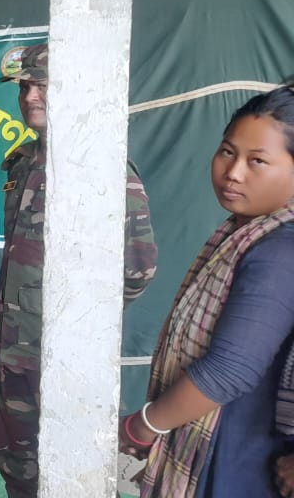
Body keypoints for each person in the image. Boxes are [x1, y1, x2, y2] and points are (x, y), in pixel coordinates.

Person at [0, 43, 158, 497]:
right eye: (25, 85)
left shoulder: (102, 167)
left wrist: (79, 323)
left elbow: (138, 269)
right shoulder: (23, 162)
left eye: (43, 85)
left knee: (71, 477)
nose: (30, 95)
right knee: (20, 472)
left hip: (66, 360)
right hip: (14, 352)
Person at [118, 86, 294, 497]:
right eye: (227, 152)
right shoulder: (245, 233)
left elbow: (230, 369)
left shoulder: (280, 251)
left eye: (258, 161)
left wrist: (147, 424)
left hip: (237, 457)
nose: (233, 172)